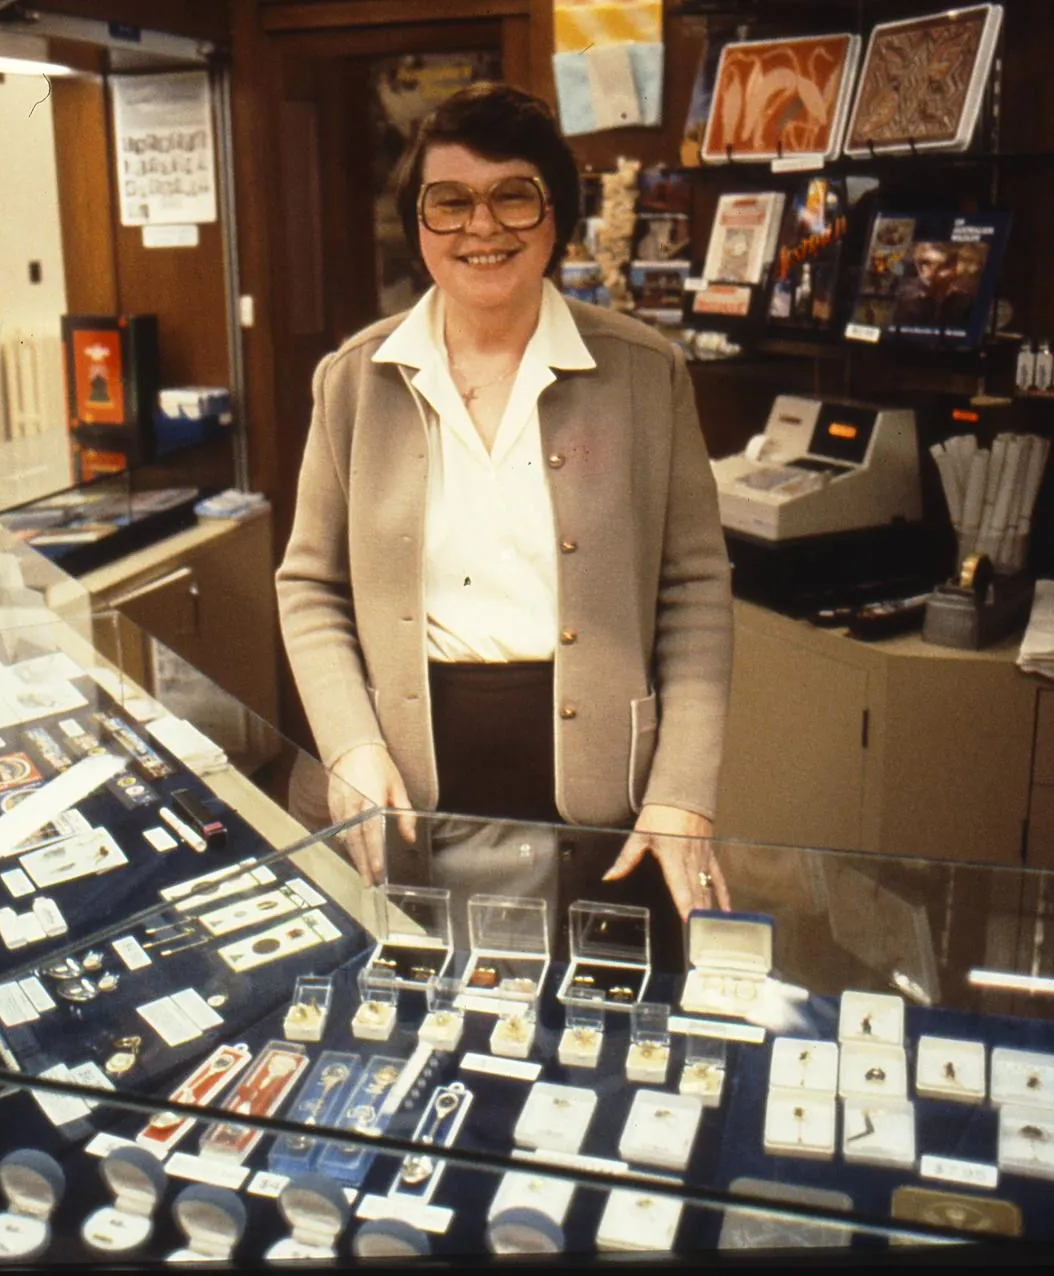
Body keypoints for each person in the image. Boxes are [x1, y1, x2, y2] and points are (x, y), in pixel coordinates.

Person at [275, 83, 734, 923]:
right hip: (400, 796)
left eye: (512, 197)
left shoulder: (645, 372)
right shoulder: (353, 380)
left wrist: (682, 791)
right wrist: (350, 742)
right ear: (419, 225)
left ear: (554, 217)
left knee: (596, 1033)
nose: (481, 228)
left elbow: (695, 589)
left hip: (610, 804)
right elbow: (309, 586)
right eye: (448, 203)